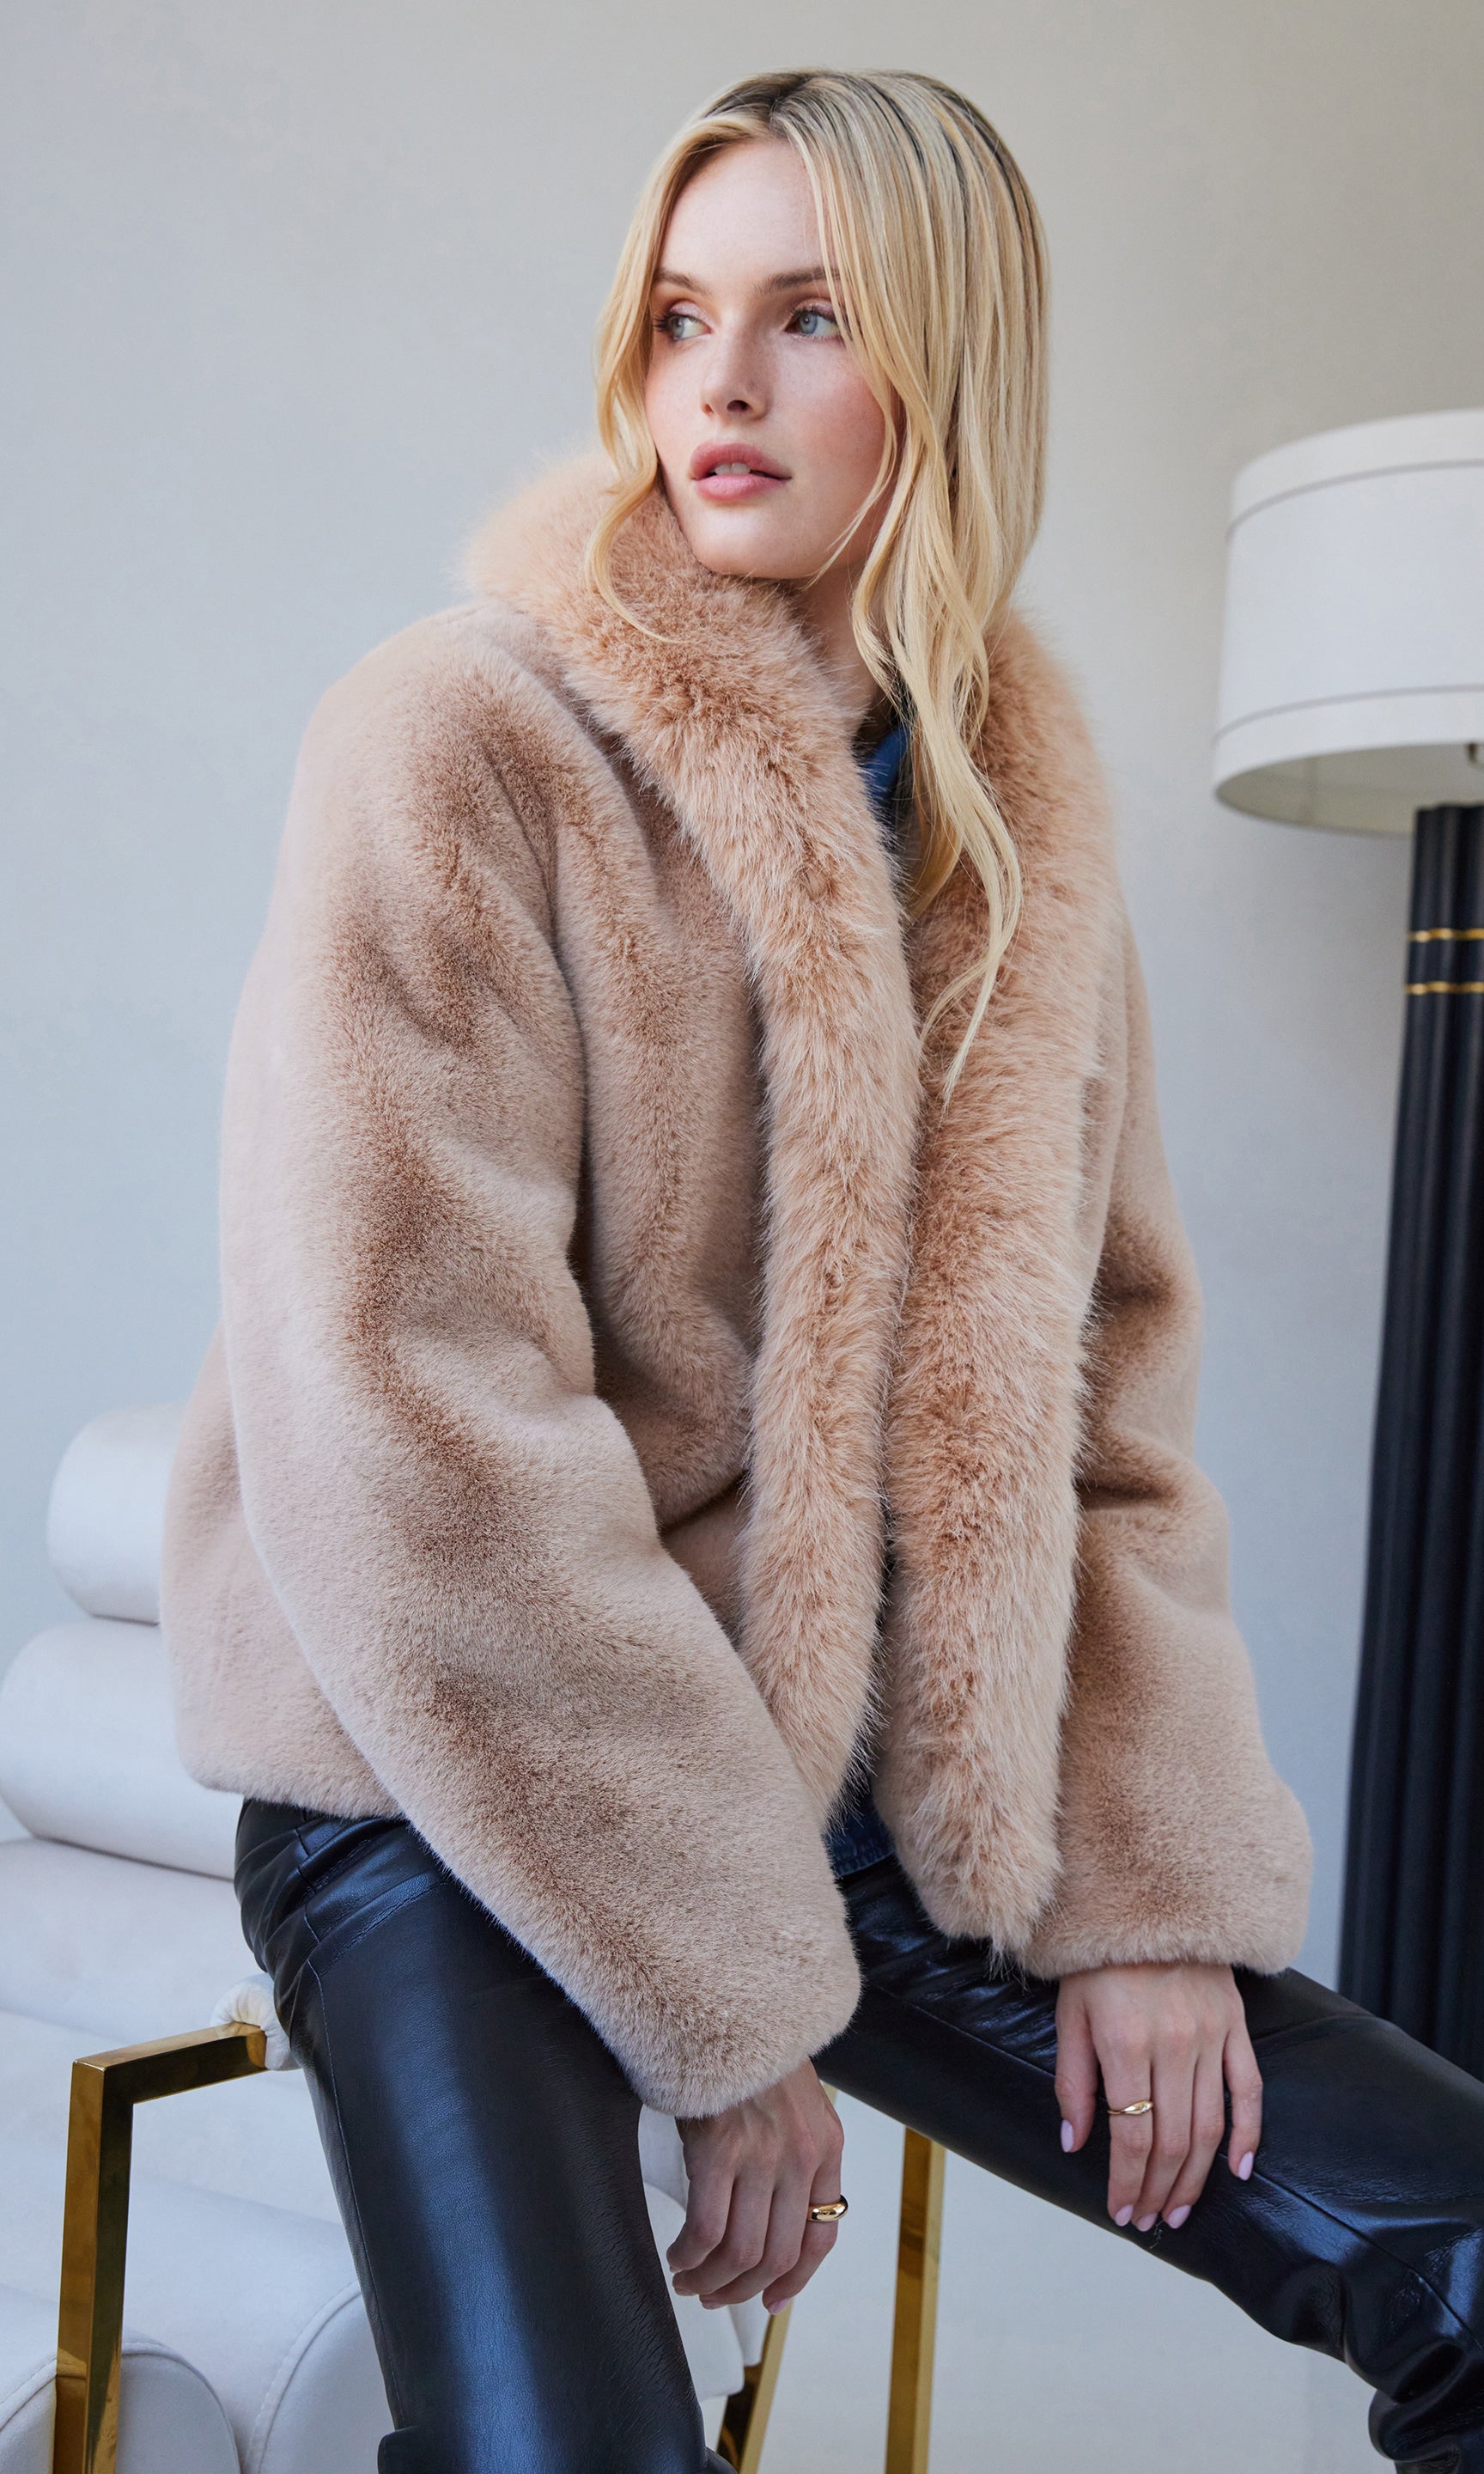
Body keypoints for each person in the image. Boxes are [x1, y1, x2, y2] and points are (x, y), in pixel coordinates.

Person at [161, 67, 1484, 2474]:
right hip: (449, 1771)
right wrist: (729, 1998)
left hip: (859, 1791)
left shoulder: (1011, 810)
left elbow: (1100, 1405)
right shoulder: (457, 742)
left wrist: (1148, 1883)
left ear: (946, 368)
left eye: (807, 317)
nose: (723, 389)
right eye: (680, 319)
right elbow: (420, 1429)